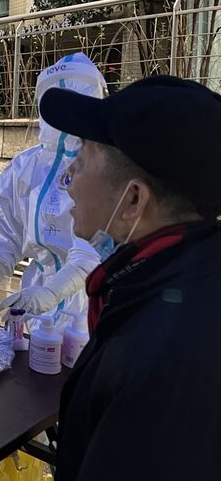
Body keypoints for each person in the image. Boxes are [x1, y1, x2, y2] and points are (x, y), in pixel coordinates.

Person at [39, 75, 221, 480]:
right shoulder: (163, 280)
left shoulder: (164, 363)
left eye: (82, 160)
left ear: (134, 200)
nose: (68, 177)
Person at [0, 53, 104, 330]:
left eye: (75, 96)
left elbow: (94, 250)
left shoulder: (105, 167)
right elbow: (6, 231)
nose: (63, 113)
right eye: (55, 101)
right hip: (34, 294)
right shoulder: (25, 166)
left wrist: (51, 293)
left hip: (87, 302)